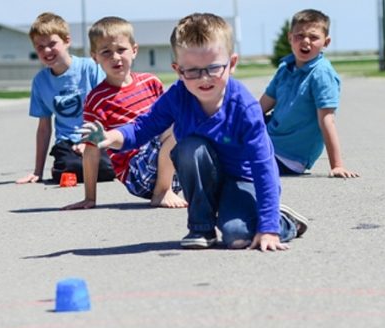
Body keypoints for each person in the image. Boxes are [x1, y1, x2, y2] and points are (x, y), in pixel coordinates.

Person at [79, 13, 308, 251]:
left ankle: (285, 221)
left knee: (238, 237)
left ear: (232, 63)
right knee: (189, 147)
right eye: (193, 71)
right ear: (178, 70)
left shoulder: (245, 108)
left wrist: (269, 227)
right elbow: (142, 126)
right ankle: (201, 227)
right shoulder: (178, 96)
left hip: (242, 179)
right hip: (206, 177)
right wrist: (110, 137)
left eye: (213, 68)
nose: (204, 78)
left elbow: (264, 167)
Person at [63, 16, 186, 210]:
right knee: (179, 125)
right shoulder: (97, 100)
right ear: (94, 57)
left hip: (174, 169)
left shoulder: (151, 82)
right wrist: (90, 198)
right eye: (106, 52)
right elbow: (92, 149)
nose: (115, 57)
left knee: (192, 119)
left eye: (121, 50)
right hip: (138, 173)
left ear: (134, 50)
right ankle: (162, 192)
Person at [17, 12, 115, 185]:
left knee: (106, 169)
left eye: (52, 44)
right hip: (67, 142)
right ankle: (61, 166)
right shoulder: (40, 82)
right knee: (67, 169)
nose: (46, 50)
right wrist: (37, 172)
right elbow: (44, 128)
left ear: (67, 41)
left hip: (97, 136)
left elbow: (106, 109)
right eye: (40, 47)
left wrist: (90, 142)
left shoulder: (90, 68)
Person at [259, 9, 359, 178]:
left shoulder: (322, 74)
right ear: (290, 38)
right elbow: (260, 107)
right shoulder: (285, 69)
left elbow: (327, 120)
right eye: (299, 36)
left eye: (313, 37)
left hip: (288, 156)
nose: (306, 41)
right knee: (224, 135)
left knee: (226, 164)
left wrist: (337, 165)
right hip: (269, 140)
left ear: (326, 42)